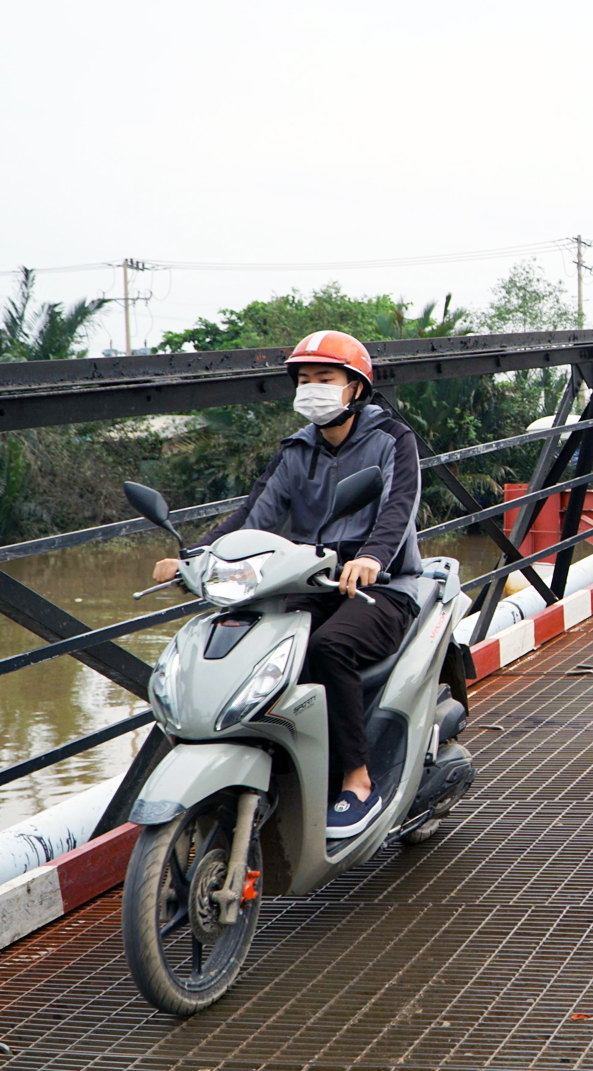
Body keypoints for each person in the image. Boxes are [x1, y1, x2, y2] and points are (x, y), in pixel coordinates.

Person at [150, 330, 423, 838]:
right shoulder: (296, 450)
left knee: (330, 648)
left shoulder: (392, 440)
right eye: (304, 379)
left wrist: (370, 557)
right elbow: (255, 515)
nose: (312, 388)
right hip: (308, 582)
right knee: (245, 644)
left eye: (325, 378)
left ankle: (358, 780)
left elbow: (398, 506)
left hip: (382, 586)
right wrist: (193, 557)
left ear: (356, 388)